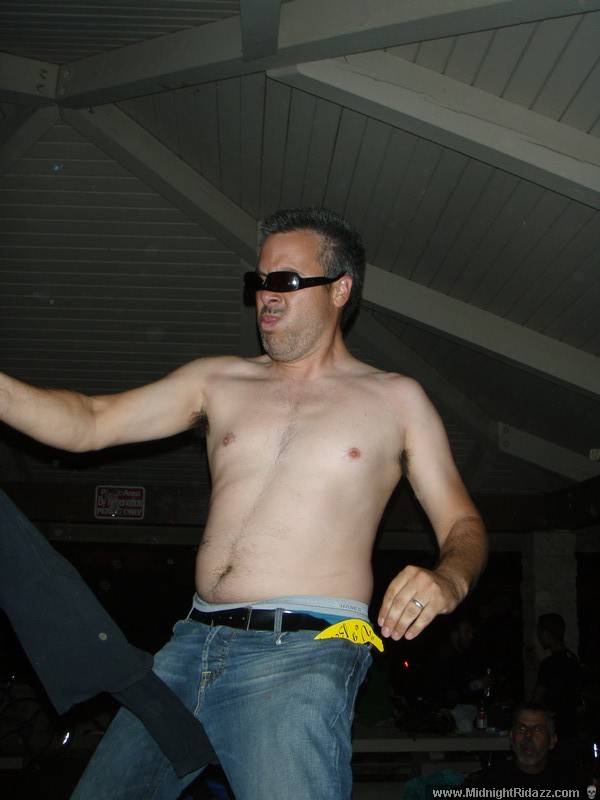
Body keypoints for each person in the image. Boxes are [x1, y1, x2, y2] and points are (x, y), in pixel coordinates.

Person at [0, 207, 488, 800]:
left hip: (304, 651)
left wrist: (449, 578)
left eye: (285, 280)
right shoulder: (218, 381)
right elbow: (90, 422)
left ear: (340, 289)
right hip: (187, 646)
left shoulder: (397, 400)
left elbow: (462, 521)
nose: (265, 296)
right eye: (259, 281)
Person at [464, 703, 573, 788]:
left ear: (552, 741)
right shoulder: (489, 781)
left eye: (537, 729)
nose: (528, 735)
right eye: (522, 728)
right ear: (511, 737)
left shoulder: (568, 781)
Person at [533, 613, 582, 740]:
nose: (538, 637)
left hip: (555, 728)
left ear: (546, 633)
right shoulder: (572, 659)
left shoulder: (549, 664)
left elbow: (537, 698)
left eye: (539, 633)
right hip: (574, 725)